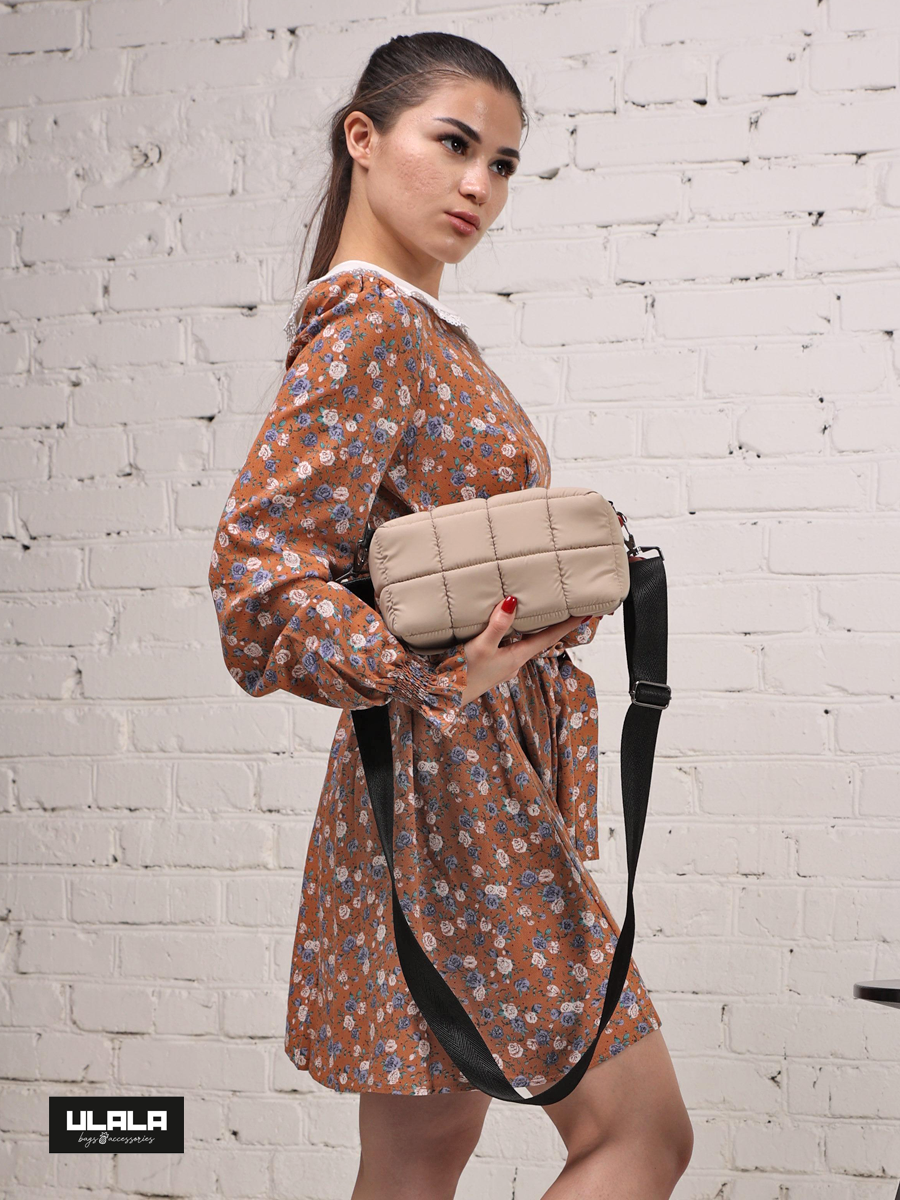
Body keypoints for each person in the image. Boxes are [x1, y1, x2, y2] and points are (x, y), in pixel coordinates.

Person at [207, 30, 693, 1200]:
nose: (480, 184)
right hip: (461, 790)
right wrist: (432, 672)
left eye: (504, 164)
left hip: (442, 778)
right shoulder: (373, 327)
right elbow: (257, 586)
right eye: (456, 144)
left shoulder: (414, 328)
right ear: (364, 139)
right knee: (641, 1136)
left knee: (420, 1157)